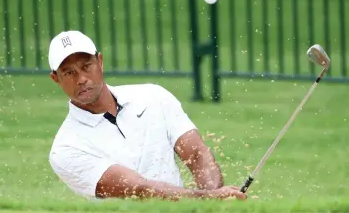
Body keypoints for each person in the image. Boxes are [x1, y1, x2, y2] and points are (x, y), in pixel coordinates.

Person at [48, 30, 247, 201]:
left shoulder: (153, 96)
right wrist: (210, 199)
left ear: (100, 62)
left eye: (86, 66)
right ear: (55, 79)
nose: (82, 79)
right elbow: (137, 190)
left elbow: (196, 155)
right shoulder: (65, 148)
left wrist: (215, 199)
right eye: (69, 73)